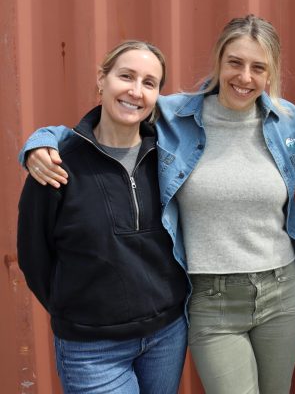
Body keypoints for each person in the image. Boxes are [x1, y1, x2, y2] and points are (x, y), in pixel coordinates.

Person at [21, 16, 295, 394]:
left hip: (281, 290)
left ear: (270, 73)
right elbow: (110, 116)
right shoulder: (175, 115)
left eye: (258, 67)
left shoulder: (287, 122)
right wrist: (41, 141)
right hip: (212, 299)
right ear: (218, 61)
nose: (244, 77)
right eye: (235, 63)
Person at [17, 40, 189, 393]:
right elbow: (34, 256)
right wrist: (77, 310)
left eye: (149, 83)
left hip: (166, 336)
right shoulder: (57, 163)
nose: (135, 91)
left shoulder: (169, 157)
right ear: (101, 80)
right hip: (91, 350)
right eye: (126, 76)